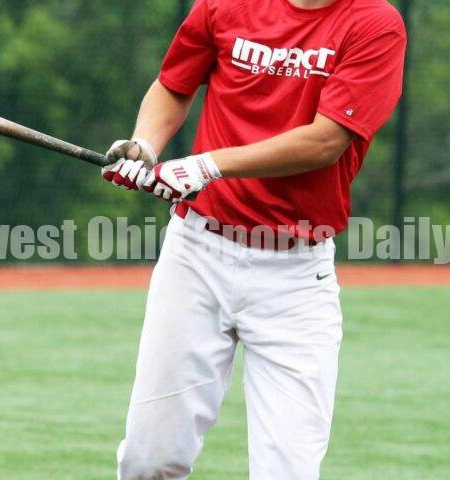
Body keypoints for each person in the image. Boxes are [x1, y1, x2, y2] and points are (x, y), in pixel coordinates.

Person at [102, 0, 406, 478]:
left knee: (289, 471)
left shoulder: (374, 23)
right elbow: (172, 85)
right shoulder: (225, 4)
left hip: (296, 276)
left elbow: (325, 141)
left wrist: (205, 165)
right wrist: (144, 147)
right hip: (196, 257)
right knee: (149, 461)